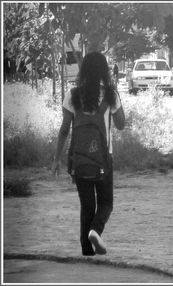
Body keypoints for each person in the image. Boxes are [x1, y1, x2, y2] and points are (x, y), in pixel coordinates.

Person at [52, 52, 125, 256]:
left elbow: (65, 129)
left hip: (79, 160)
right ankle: (95, 231)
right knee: (106, 203)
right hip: (104, 159)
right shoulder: (110, 94)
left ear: (83, 70)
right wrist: (116, 99)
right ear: (104, 71)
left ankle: (86, 250)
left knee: (87, 206)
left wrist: (57, 159)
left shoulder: (72, 94)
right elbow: (121, 125)